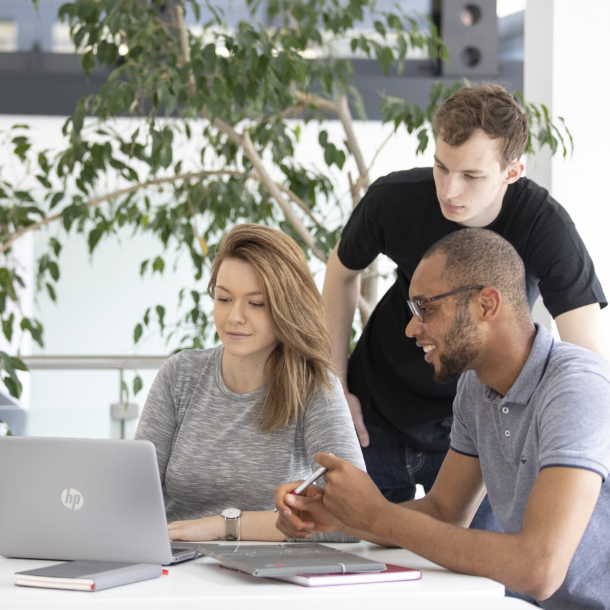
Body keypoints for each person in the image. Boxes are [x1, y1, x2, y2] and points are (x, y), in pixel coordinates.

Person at [322, 84, 607, 530]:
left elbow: (588, 362)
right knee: (349, 561)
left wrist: (544, 445)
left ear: (512, 172)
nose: (450, 190)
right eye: (441, 167)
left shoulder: (547, 228)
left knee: (478, 582)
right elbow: (340, 275)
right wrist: (334, 386)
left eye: (472, 176)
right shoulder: (394, 200)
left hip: (480, 434)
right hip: (375, 416)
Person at [276, 229, 610, 608]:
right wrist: (338, 518)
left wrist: (376, 515)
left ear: (487, 304)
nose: (410, 327)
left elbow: (539, 569)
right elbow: (444, 513)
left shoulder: (577, 386)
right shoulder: (475, 387)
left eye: (426, 308)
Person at [135, 223, 365, 542]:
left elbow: (354, 519)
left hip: (269, 579)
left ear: (287, 306)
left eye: (255, 303)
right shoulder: (179, 375)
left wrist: (221, 526)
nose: (235, 317)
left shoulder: (315, 386)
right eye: (224, 298)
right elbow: (132, 495)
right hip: (175, 568)